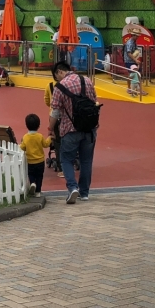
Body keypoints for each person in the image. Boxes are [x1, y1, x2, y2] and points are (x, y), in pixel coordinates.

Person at [49, 61, 99, 203]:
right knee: (86, 160)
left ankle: (72, 188)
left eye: (56, 76)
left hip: (70, 130)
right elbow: (95, 102)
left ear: (59, 71)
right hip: (89, 129)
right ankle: (84, 193)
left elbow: (56, 112)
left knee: (66, 160)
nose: (57, 79)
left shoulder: (60, 87)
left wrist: (50, 128)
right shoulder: (87, 81)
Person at [19, 113, 50, 196]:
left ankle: (32, 183)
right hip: (40, 161)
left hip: (30, 161)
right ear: (38, 125)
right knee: (39, 176)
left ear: (26, 125)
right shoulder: (40, 136)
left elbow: (22, 147)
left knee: (31, 174)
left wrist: (21, 143)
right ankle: (38, 192)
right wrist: (50, 138)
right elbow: (45, 144)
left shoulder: (25, 137)